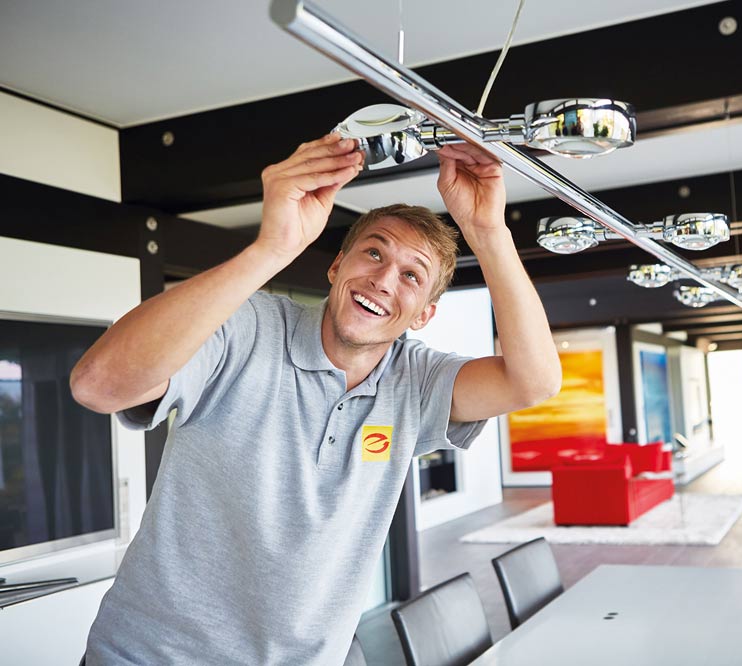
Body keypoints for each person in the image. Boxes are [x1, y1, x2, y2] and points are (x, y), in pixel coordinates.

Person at [70, 132, 562, 664]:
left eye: (411, 275)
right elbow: (97, 385)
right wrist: (271, 249)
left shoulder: (416, 381)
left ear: (423, 314)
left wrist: (488, 232)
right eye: (373, 252)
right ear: (336, 268)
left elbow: (534, 382)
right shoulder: (247, 328)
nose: (383, 280)